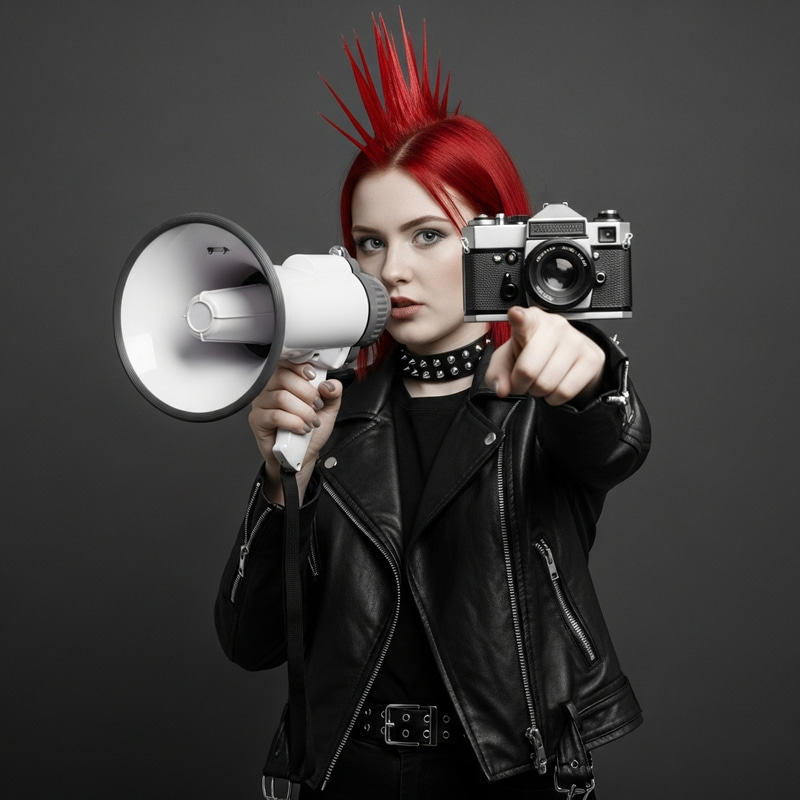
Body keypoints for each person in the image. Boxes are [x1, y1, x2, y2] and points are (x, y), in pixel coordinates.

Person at [215, 14, 650, 800]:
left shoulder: (538, 398)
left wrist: (589, 375)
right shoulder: (331, 412)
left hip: (511, 774)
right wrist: (285, 489)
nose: (395, 270)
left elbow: (611, 442)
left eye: (428, 234)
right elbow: (248, 642)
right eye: (370, 242)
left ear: (499, 245)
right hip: (346, 775)